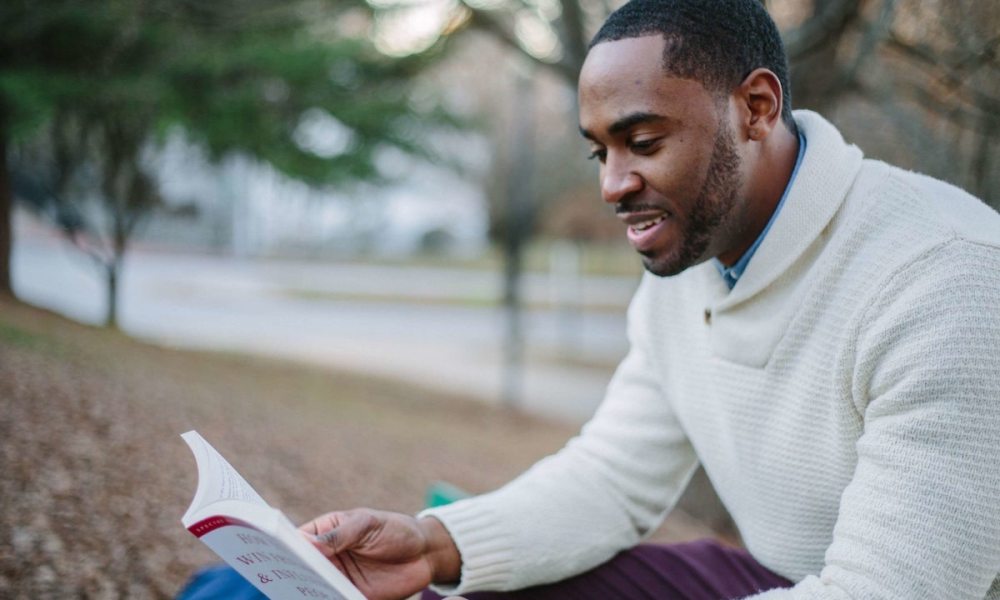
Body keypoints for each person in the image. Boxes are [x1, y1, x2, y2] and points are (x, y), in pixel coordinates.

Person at [301, 0, 1000, 598]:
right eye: (599, 152)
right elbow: (611, 479)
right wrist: (432, 544)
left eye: (641, 141)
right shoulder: (693, 258)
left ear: (756, 108)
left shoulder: (947, 279)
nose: (612, 184)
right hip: (779, 576)